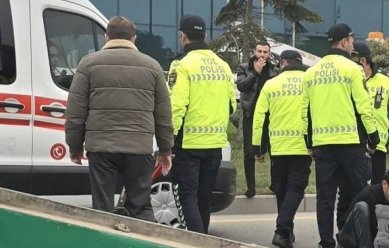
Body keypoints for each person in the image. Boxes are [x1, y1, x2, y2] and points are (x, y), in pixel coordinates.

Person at [66, 16, 173, 222]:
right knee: (140, 207)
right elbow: (163, 114)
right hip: (139, 149)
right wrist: (165, 149)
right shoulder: (152, 66)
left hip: (101, 149)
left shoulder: (88, 64)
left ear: (106, 36)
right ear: (134, 39)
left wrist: (75, 145)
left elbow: (75, 111)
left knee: (102, 208)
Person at [303, 23, 379, 248]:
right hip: (350, 143)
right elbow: (363, 106)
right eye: (352, 39)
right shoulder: (352, 69)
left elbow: (305, 112)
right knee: (360, 194)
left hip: (323, 144)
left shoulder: (312, 72)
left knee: (325, 198)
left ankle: (327, 247)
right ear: (344, 42)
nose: (353, 43)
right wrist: (373, 136)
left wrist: (309, 140)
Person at [168, 14, 236, 234]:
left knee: (187, 195)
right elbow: (231, 106)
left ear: (183, 36)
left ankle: (197, 244)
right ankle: (204, 241)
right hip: (215, 143)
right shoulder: (223, 65)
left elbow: (176, 107)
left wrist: (168, 140)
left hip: (189, 144)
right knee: (204, 199)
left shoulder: (182, 64)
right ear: (205, 35)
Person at [252, 50, 311, 248]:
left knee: (282, 191)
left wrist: (258, 147)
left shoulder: (271, 83)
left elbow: (259, 117)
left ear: (283, 63)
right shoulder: (309, 82)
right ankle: (282, 230)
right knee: (295, 190)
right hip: (302, 147)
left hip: (278, 148)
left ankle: (285, 234)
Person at [350, 41, 389, 184]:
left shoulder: (385, 80)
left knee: (375, 189)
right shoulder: (348, 78)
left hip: (378, 147)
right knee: (351, 189)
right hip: (352, 143)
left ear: (362, 60)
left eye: (352, 60)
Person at [236, 41, 279, 198]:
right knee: (249, 152)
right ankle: (251, 187)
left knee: (274, 150)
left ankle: (275, 185)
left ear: (269, 54)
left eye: (265, 52)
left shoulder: (275, 70)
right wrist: (255, 73)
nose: (262, 55)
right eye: (259, 51)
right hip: (251, 114)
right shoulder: (244, 67)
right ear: (254, 52)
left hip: (270, 115)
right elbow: (241, 86)